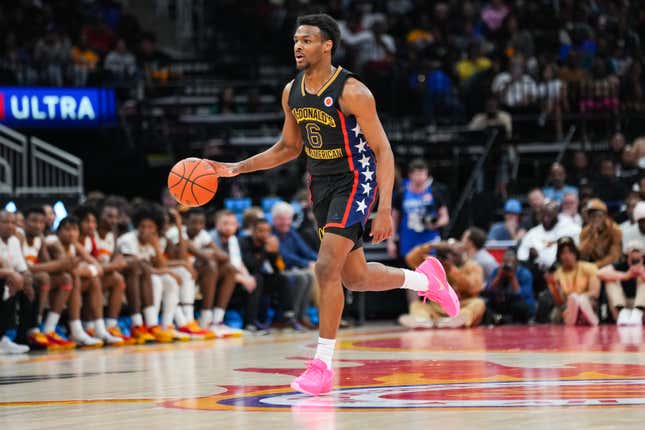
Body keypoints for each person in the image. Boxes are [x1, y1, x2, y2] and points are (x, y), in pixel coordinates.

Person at [205, 13, 458, 396]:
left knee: (325, 266)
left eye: (306, 40)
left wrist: (385, 207)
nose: (297, 46)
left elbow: (383, 149)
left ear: (327, 46)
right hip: (320, 184)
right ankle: (427, 280)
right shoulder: (292, 91)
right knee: (353, 277)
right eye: (295, 40)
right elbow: (289, 147)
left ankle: (322, 365)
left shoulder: (353, 91)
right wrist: (237, 168)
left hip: (356, 180)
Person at [20, 207, 77, 350]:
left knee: (66, 279)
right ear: (24, 222)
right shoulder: (19, 236)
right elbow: (23, 267)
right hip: (20, 276)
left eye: (41, 222)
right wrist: (59, 264)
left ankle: (49, 329)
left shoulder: (40, 239)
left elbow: (46, 263)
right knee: (44, 277)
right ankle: (35, 327)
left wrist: (58, 265)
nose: (38, 225)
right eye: (34, 221)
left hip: (34, 277)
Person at [399, 246, 485, 329]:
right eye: (442, 256)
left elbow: (474, 288)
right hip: (436, 307)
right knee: (416, 305)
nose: (446, 259)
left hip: (461, 305)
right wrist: (431, 246)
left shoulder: (472, 266)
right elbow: (410, 259)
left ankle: (457, 320)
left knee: (478, 303)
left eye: (452, 254)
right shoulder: (434, 266)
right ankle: (423, 320)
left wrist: (452, 271)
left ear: (461, 254)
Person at [389, 159, 449, 259]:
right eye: (417, 174)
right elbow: (393, 219)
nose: (420, 178)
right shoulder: (402, 193)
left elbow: (445, 217)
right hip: (408, 243)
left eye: (423, 174)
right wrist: (391, 241)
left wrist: (435, 224)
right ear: (410, 175)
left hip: (429, 242)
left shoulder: (434, 192)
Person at [545, 237, 600, 326]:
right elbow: (560, 301)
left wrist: (577, 299)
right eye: (563, 253)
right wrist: (554, 287)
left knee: (582, 301)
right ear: (559, 257)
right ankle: (574, 317)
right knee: (557, 312)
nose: (567, 256)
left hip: (587, 302)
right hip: (567, 306)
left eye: (570, 252)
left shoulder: (590, 267)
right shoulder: (557, 274)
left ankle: (583, 316)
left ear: (575, 253)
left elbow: (595, 293)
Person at [0, 211, 33, 354]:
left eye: (13, 222)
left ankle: (22, 336)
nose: (10, 226)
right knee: (9, 285)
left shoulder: (14, 241)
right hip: (4, 280)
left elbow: (23, 268)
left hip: (8, 280)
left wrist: (27, 281)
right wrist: (12, 274)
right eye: (5, 222)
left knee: (29, 285)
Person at [597, 240, 645, 326]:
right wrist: (626, 276)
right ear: (627, 256)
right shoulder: (621, 265)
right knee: (610, 281)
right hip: (624, 304)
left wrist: (642, 273)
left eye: (638, 253)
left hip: (641, 308)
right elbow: (600, 273)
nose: (635, 257)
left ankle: (638, 311)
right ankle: (621, 312)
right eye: (632, 254)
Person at [483, 249, 536, 324]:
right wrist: (498, 277)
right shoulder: (497, 271)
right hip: (502, 302)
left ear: (516, 263)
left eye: (510, 263)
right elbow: (487, 291)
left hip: (519, 303)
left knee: (519, 306)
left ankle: (511, 321)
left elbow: (521, 295)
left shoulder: (524, 273)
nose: (507, 266)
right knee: (486, 304)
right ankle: (497, 319)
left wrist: (512, 278)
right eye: (505, 263)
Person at [578, 199, 622, 268]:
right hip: (591, 265)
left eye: (599, 216)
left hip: (611, 266)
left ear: (605, 216)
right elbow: (582, 256)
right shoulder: (585, 231)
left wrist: (595, 266)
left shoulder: (615, 230)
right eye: (592, 216)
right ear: (588, 217)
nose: (595, 219)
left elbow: (614, 256)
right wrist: (591, 237)